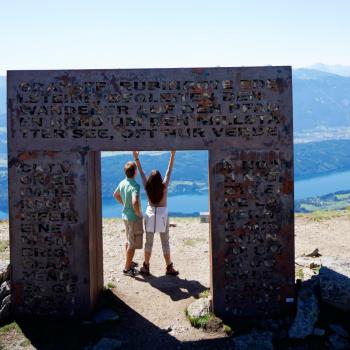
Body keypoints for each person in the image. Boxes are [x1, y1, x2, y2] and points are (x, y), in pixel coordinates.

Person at [133, 150, 179, 276]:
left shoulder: (147, 186)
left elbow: (141, 172)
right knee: (165, 242)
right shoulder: (164, 186)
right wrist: (172, 155)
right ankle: (169, 267)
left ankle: (146, 267)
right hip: (163, 215)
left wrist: (136, 158)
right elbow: (169, 171)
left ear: (150, 180)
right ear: (159, 179)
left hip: (150, 214)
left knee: (149, 242)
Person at [113, 161, 143, 277]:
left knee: (128, 240)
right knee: (132, 243)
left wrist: (125, 204)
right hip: (133, 218)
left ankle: (129, 261)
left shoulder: (122, 183)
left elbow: (115, 194)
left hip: (125, 216)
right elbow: (135, 202)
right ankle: (127, 268)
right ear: (135, 173)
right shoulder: (135, 186)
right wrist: (138, 213)